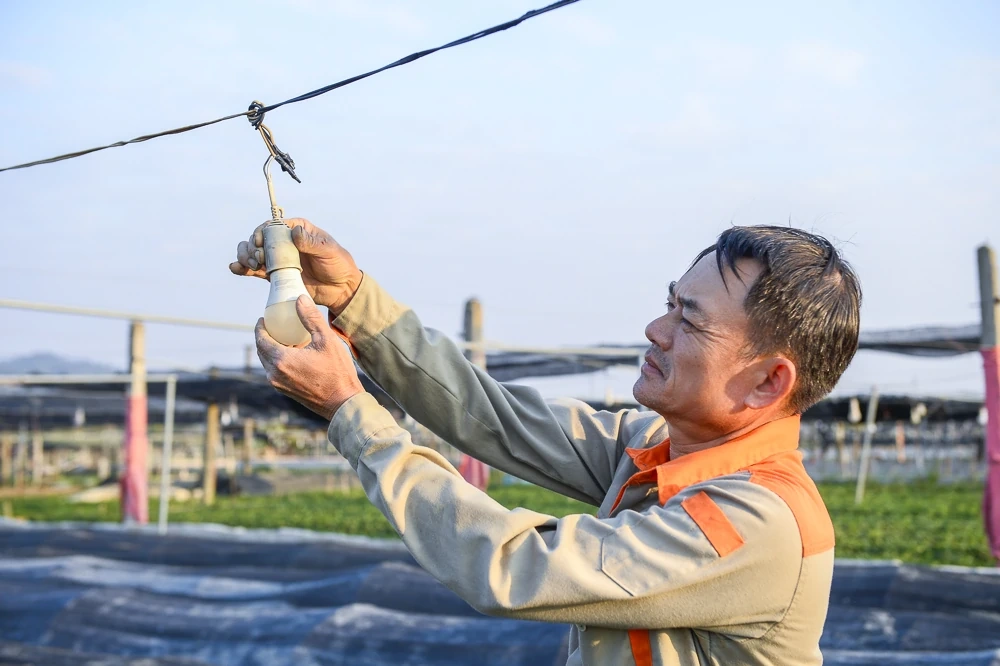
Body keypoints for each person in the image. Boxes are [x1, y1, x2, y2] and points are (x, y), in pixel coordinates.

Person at [230, 221, 862, 665]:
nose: (655, 328)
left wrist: (349, 411)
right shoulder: (658, 448)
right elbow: (491, 415)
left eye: (691, 320)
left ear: (768, 381)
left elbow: (513, 566)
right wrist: (354, 302)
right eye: (670, 303)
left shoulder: (753, 522)